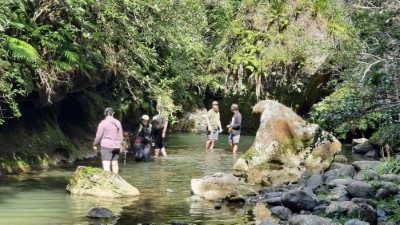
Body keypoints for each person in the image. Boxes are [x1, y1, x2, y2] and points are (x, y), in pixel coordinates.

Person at [93, 107, 123, 174]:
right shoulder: (118, 122)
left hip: (106, 146)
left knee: (106, 165)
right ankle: (116, 181)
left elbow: (98, 136)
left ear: (105, 113)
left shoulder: (102, 123)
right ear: (113, 114)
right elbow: (121, 136)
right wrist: (120, 145)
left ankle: (108, 183)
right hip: (116, 146)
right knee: (115, 164)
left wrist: (94, 144)